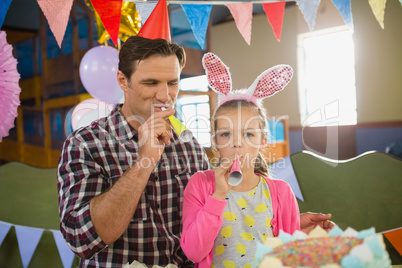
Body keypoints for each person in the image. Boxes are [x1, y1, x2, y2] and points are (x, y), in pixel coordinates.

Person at [57, 36, 334, 268]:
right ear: (122, 80)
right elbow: (82, 240)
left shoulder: (188, 144)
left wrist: (286, 224)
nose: (165, 95)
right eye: (151, 83)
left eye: (173, 83)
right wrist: (144, 161)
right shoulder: (87, 144)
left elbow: (213, 217)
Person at [180, 53, 314, 267]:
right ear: (215, 141)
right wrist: (218, 195)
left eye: (248, 134)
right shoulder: (200, 185)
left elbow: (290, 258)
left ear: (263, 140)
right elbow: (194, 253)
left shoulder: (281, 193)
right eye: (226, 134)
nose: (236, 144)